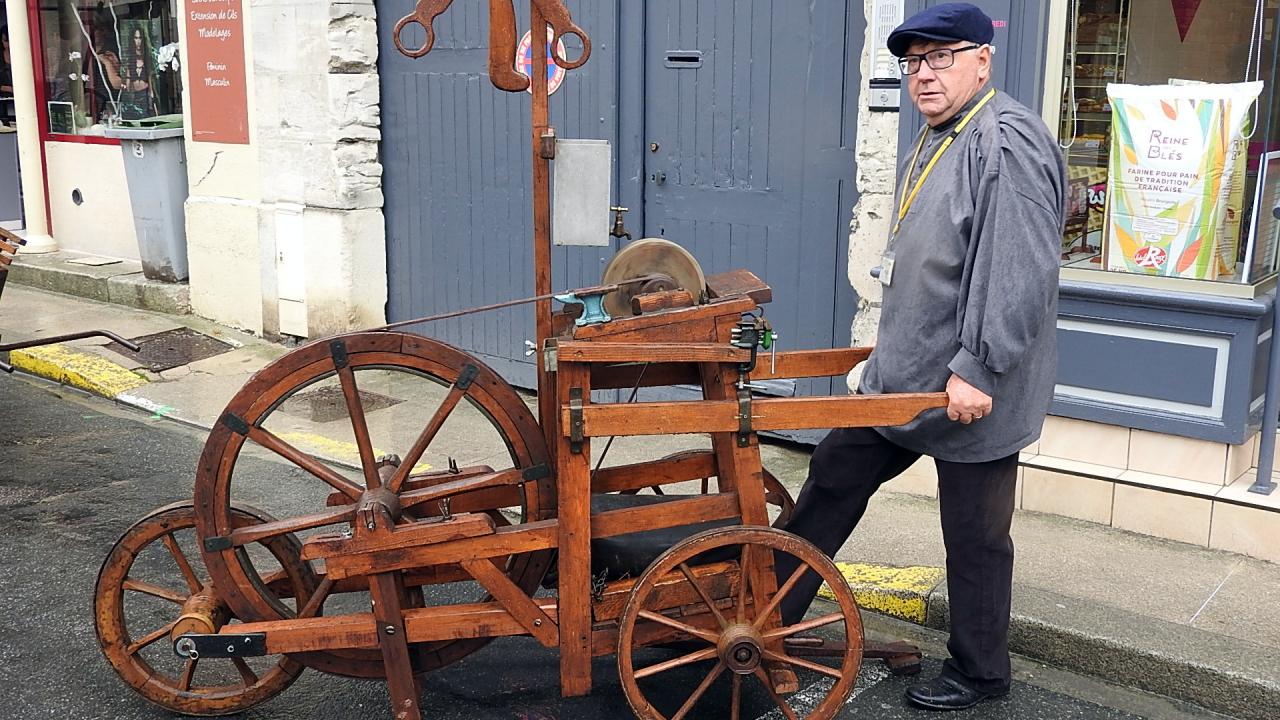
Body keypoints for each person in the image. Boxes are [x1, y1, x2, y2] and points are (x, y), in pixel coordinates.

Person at [775, 2, 1066, 712]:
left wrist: (980, 366)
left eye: (940, 58)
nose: (924, 75)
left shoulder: (1005, 140)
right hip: (903, 381)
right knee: (833, 481)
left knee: (973, 539)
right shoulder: (938, 135)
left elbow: (1020, 271)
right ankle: (766, 615)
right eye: (913, 63)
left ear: (982, 61)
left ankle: (980, 672)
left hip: (967, 389)